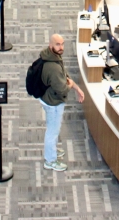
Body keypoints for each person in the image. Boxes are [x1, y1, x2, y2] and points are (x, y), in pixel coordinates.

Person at [38, 34, 84, 171]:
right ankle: (50, 160)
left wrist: (76, 88)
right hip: (53, 102)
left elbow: (64, 75)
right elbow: (62, 89)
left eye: (62, 44)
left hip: (48, 98)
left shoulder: (50, 55)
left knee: (52, 130)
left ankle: (51, 151)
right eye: (58, 44)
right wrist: (71, 86)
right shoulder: (53, 67)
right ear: (51, 44)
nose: (61, 47)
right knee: (53, 131)